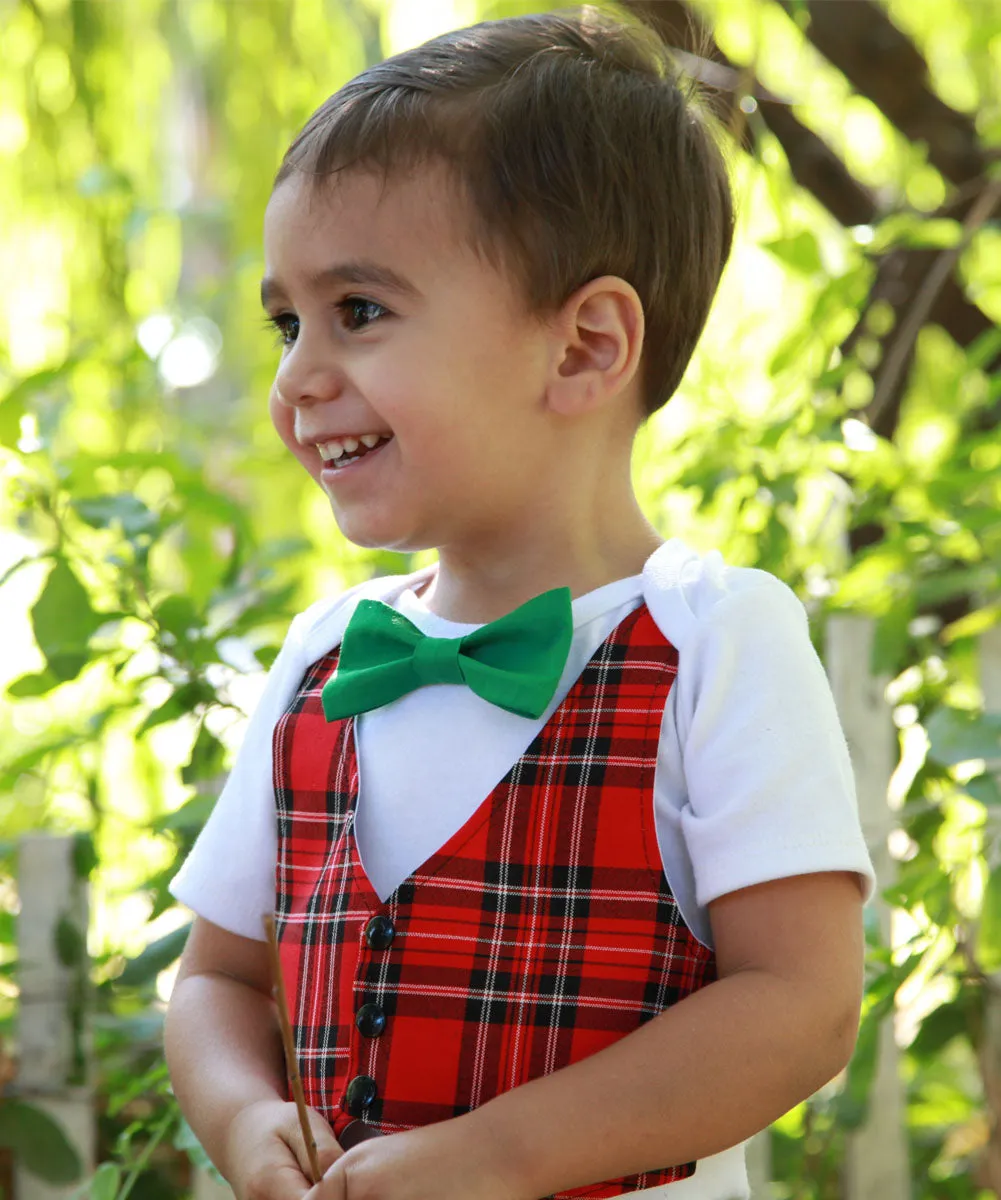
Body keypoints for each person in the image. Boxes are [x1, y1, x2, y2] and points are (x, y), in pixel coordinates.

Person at [164, 7, 876, 1200]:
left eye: (360, 312)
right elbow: (218, 980)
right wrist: (246, 1124)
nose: (296, 378)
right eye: (287, 322)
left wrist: (494, 1159)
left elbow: (798, 1006)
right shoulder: (321, 662)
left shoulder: (713, 643)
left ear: (583, 347)